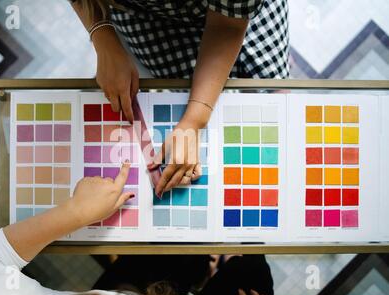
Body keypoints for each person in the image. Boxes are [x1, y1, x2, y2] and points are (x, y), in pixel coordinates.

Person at [70, 0, 289, 196]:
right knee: (200, 113)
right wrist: (103, 37)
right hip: (145, 16)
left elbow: (228, 26)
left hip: (238, 10)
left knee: (279, 106)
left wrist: (195, 120)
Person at [0, 163, 272, 295]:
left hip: (142, 286)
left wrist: (76, 212)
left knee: (231, 264)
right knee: (249, 271)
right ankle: (216, 263)